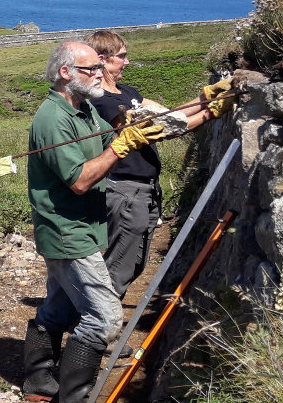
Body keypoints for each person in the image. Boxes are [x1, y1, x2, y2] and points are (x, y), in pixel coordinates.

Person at [22, 41, 166, 403]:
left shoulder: (82, 109)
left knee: (59, 306)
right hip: (66, 231)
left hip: (84, 226)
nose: (99, 74)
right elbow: (82, 180)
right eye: (90, 70)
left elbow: (113, 133)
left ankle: (38, 381)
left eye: (99, 68)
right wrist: (121, 147)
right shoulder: (52, 118)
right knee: (103, 317)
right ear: (65, 73)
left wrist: (172, 117)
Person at [85, 29, 228, 299]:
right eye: (122, 57)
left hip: (145, 188)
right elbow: (162, 128)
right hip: (127, 189)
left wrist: (206, 98)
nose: (127, 62)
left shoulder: (126, 92)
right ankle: (95, 330)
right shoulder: (102, 102)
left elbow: (169, 114)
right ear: (102, 60)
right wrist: (211, 112)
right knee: (120, 266)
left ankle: (93, 318)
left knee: (135, 262)